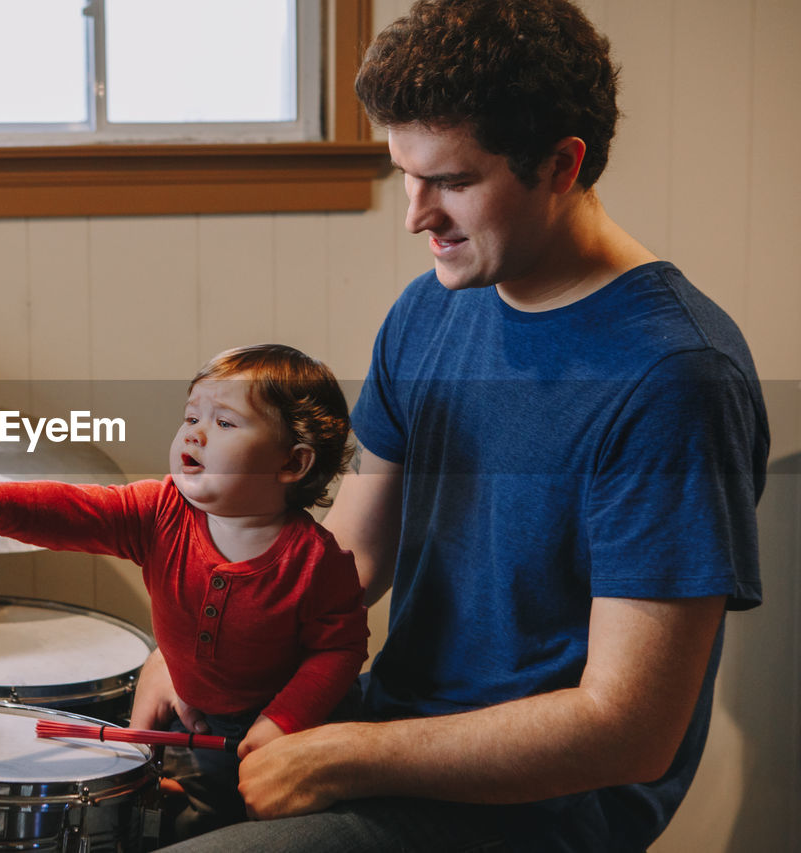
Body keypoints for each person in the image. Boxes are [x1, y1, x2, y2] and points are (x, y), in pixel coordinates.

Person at [134, 2, 770, 851]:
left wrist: (347, 757)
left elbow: (630, 728)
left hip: (545, 808)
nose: (415, 215)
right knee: (114, 786)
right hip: (394, 723)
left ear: (561, 164)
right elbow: (346, 563)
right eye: (406, 172)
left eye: (455, 182)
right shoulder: (429, 312)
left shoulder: (676, 380)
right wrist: (190, 643)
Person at [0, 343, 370, 839]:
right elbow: (66, 508)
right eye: (191, 416)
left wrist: (284, 721)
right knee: (164, 819)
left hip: (287, 737)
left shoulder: (318, 562)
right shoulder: (159, 513)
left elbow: (339, 650)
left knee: (265, 828)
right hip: (192, 728)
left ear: (292, 463)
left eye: (224, 423)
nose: (194, 432)